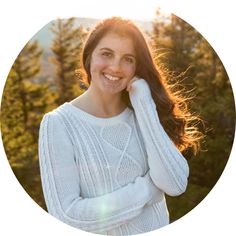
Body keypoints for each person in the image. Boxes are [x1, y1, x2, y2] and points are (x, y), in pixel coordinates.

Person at [38, 17, 202, 235]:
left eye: (128, 59)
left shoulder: (141, 112)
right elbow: (67, 216)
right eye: (106, 54)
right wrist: (148, 188)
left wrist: (144, 104)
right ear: (89, 57)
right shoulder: (59, 123)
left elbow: (175, 184)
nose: (115, 67)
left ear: (137, 66)